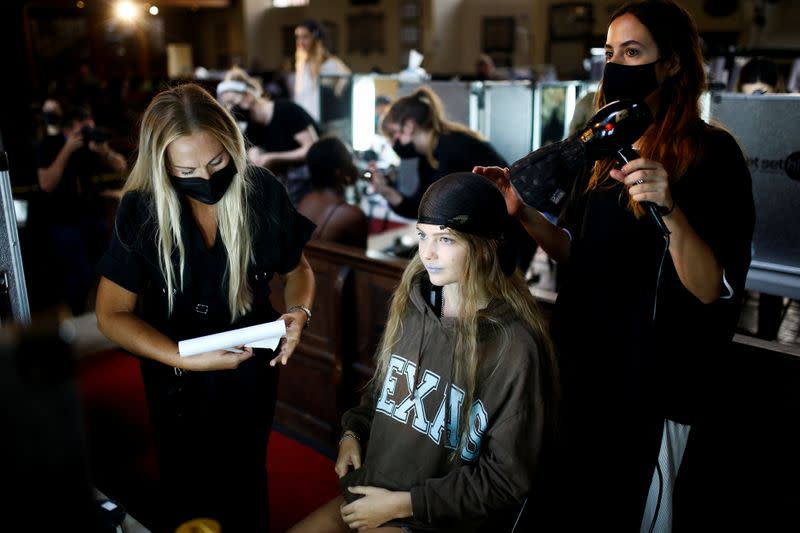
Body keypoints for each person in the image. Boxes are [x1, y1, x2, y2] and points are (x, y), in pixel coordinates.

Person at [476, 1, 754, 530]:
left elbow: (710, 288)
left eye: (632, 51)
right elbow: (581, 253)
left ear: (671, 63)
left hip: (650, 384)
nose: (616, 65)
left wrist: (670, 211)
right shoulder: (604, 150)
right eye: (609, 53)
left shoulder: (712, 155)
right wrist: (524, 213)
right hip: (582, 365)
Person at [94, 83, 316, 532]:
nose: (207, 177)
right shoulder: (142, 209)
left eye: (217, 162)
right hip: (174, 369)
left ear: (233, 145)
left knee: (248, 475)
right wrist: (182, 358)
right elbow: (111, 315)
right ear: (163, 167)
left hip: (252, 358)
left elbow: (299, 270)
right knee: (189, 485)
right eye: (187, 169)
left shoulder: (262, 190)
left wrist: (300, 313)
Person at [287, 172, 558, 533]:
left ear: (485, 245)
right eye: (422, 235)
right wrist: (353, 432)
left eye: (445, 239)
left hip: (431, 519)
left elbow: (506, 479)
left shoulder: (515, 347)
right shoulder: (412, 304)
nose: (426, 253)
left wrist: (405, 504)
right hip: (371, 494)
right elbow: (385, 391)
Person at [373, 86, 538, 274]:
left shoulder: (451, 148)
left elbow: (432, 210)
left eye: (395, 135)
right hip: (488, 234)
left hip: (510, 233)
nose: (393, 143)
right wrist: (386, 191)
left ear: (409, 126)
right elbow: (421, 207)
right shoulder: (429, 155)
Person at [36, 104, 127, 315]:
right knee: (77, 274)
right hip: (63, 220)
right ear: (70, 128)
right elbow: (46, 184)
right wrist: (67, 150)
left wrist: (105, 152)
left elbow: (121, 166)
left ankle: (100, 312)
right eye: (83, 129)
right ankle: (75, 314)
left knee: (106, 268)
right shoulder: (50, 144)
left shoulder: (91, 147)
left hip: (92, 217)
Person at [217, 66, 319, 205]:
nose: (230, 109)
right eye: (226, 106)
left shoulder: (286, 110)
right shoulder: (249, 123)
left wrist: (272, 157)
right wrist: (256, 157)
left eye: (233, 103)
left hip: (307, 177)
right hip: (285, 180)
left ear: (248, 96)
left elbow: (311, 148)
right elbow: (254, 151)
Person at [298, 136, 368, 248]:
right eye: (350, 159)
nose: (354, 164)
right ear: (338, 172)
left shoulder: (305, 201)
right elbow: (361, 262)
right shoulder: (353, 215)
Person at [293, 19, 351, 123]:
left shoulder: (330, 63)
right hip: (304, 118)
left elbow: (346, 81)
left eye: (305, 37)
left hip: (322, 120)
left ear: (315, 38)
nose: (300, 42)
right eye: (298, 37)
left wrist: (334, 95)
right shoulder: (302, 63)